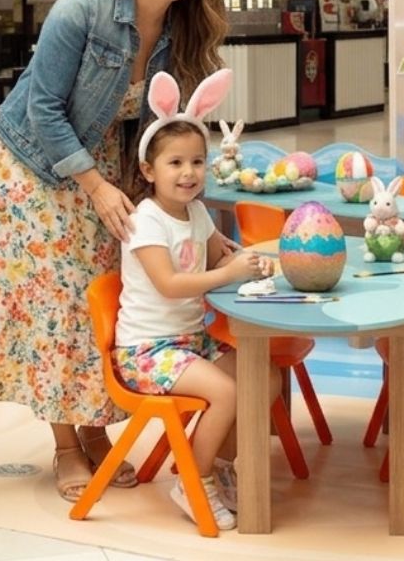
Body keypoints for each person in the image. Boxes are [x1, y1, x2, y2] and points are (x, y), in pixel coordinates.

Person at [0, 0, 228, 503]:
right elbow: (42, 107)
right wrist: (96, 185)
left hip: (103, 166)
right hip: (32, 167)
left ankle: (93, 424)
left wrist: (180, 210)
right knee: (58, 306)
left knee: (104, 291)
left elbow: (161, 128)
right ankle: (67, 444)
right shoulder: (86, 5)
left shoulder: (180, 32)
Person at [114, 69, 270, 532]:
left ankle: (220, 463)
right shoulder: (146, 221)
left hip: (188, 342)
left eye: (197, 163)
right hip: (146, 351)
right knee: (227, 391)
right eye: (175, 163)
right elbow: (169, 283)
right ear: (148, 170)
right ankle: (192, 479)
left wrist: (246, 258)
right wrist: (227, 272)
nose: (188, 174)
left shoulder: (197, 211)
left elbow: (221, 247)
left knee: (267, 377)